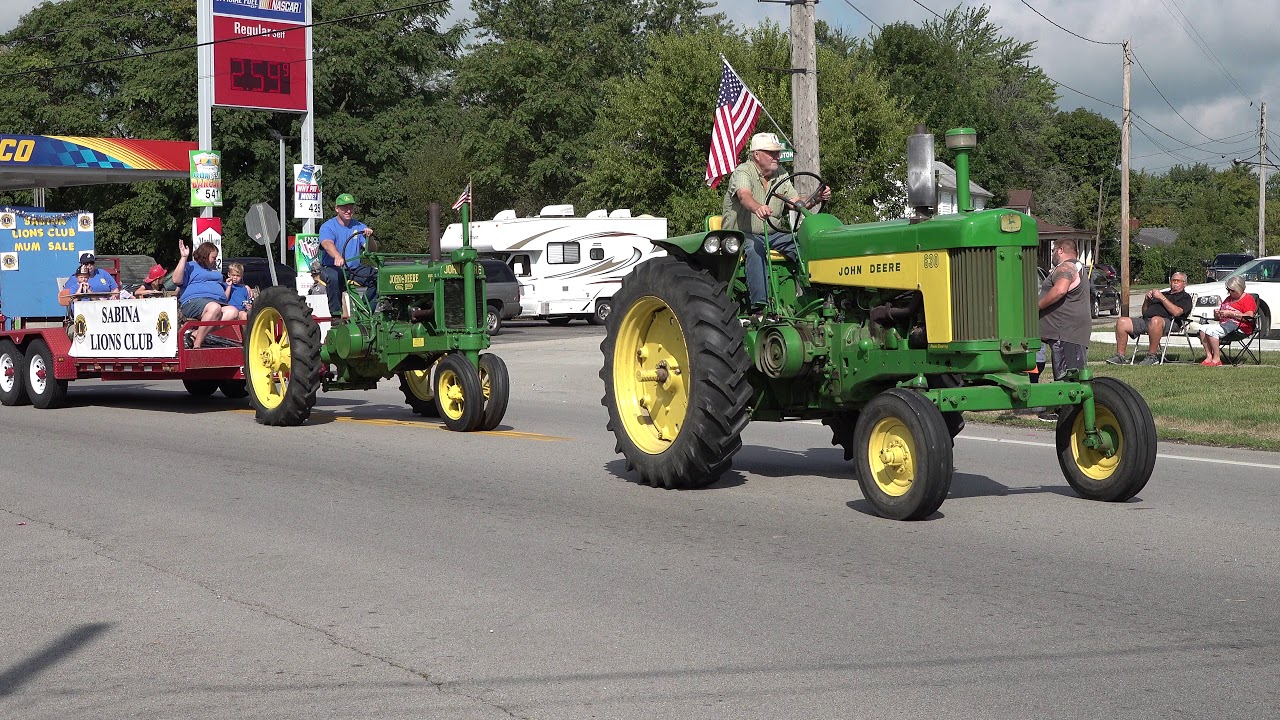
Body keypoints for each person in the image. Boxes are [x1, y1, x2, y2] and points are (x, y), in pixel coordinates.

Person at [720, 132, 830, 320]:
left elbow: (795, 202)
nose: (777, 157)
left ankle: (816, 298)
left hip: (772, 234)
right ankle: (760, 310)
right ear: (756, 154)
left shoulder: (781, 174)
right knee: (756, 248)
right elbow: (744, 196)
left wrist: (816, 198)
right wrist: (758, 208)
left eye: (778, 152)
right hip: (739, 235)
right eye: (771, 153)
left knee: (803, 242)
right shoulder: (743, 172)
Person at [1037, 238, 1091, 422]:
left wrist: (1035, 307)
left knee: (1068, 374)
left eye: (1053, 250)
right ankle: (1066, 411)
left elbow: (1060, 290)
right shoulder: (1078, 266)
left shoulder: (1066, 267)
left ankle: (1066, 412)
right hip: (1068, 331)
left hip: (1066, 332)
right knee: (1070, 372)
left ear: (1060, 250)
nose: (1052, 254)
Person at [1105, 271, 1192, 365]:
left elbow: (1176, 312)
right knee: (1122, 321)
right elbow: (1145, 312)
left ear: (1185, 283)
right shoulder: (1164, 293)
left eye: (1178, 281)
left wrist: (1162, 298)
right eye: (1173, 280)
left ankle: (1152, 356)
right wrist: (1146, 300)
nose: (1175, 282)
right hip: (1147, 320)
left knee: (1155, 320)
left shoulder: (1185, 297)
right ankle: (1120, 356)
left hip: (1170, 322)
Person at [318, 192, 377, 319]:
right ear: (337, 209)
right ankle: (336, 315)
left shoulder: (360, 226)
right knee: (333, 277)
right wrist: (337, 256)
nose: (348, 211)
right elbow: (327, 243)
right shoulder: (328, 226)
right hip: (332, 267)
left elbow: (372, 250)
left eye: (350, 207)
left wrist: (369, 238)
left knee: (378, 276)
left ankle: (366, 312)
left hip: (353, 269)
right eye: (344, 208)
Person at [172, 240, 238, 349]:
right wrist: (183, 257)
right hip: (193, 302)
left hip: (215, 302)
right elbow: (176, 280)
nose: (215, 260)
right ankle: (197, 345)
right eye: (213, 257)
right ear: (205, 256)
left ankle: (195, 335)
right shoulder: (190, 266)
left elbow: (225, 294)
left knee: (233, 312)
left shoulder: (215, 271)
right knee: (214, 308)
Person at [1196, 275, 1256, 366]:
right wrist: (1217, 314)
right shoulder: (1228, 299)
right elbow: (1219, 317)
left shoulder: (1248, 299)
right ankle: (1209, 357)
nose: (1229, 292)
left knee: (1212, 331)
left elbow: (1250, 317)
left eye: (1232, 290)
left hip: (1240, 327)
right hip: (1225, 324)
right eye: (1228, 290)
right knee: (1203, 329)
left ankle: (1217, 359)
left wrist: (1231, 314)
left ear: (1239, 288)